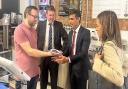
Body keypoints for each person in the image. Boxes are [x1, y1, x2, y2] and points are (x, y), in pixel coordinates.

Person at [14, 6, 57, 89]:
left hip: (35, 73)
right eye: (35, 16)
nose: (36, 19)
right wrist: (49, 53)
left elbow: (35, 49)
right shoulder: (19, 30)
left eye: (37, 17)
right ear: (27, 15)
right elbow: (30, 51)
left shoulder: (33, 31)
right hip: (23, 74)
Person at [53, 9, 91, 89]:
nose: (69, 21)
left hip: (81, 69)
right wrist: (60, 55)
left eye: (72, 19)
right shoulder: (70, 33)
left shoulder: (86, 32)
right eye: (69, 19)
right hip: (71, 68)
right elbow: (68, 49)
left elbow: (83, 53)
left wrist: (67, 59)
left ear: (78, 19)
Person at [89, 10, 124, 89]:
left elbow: (119, 78)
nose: (96, 29)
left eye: (97, 26)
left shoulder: (108, 47)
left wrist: (97, 61)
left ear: (106, 27)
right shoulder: (116, 43)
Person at [36, 5, 68, 89]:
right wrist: (36, 53)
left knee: (54, 79)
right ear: (46, 15)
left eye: (53, 15)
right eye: (50, 15)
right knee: (43, 79)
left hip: (54, 56)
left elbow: (66, 38)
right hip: (43, 55)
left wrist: (62, 52)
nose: (51, 17)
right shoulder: (40, 24)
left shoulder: (59, 25)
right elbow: (35, 38)